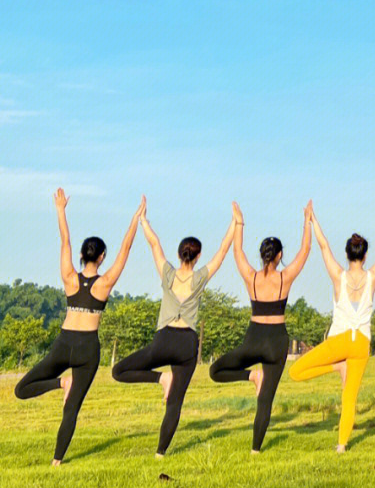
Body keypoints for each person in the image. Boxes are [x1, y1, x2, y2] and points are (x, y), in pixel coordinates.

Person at [14, 188, 143, 465]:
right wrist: (135, 219)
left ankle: (60, 384)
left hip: (64, 343)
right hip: (88, 349)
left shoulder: (69, 277)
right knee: (71, 409)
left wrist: (60, 210)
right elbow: (126, 249)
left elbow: (65, 241)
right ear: (101, 257)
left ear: (83, 255)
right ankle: (57, 461)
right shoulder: (105, 283)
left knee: (21, 389)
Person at [111, 203, 237, 456]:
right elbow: (223, 251)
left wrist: (142, 219)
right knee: (175, 403)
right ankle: (160, 453)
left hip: (164, 339)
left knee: (118, 371)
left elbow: (154, 245)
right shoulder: (200, 277)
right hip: (187, 344)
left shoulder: (167, 274)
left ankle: (161, 378)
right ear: (197, 256)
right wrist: (236, 222)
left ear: (180, 254)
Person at [288, 200, 375, 451]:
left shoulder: (338, 276)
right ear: (365, 255)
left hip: (339, 342)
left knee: (295, 372)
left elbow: (323, 245)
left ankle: (335, 367)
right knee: (349, 397)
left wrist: (312, 219)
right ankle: (341, 446)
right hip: (361, 344)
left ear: (347, 254)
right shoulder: (373, 277)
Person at [208, 201, 313, 452]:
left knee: (215, 371)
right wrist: (307, 220)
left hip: (254, 338)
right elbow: (306, 250)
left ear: (262, 255)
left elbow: (237, 251)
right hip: (276, 340)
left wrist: (239, 222)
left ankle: (251, 376)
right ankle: (255, 450)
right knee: (265, 400)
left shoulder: (251, 277)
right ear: (278, 256)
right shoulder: (284, 277)